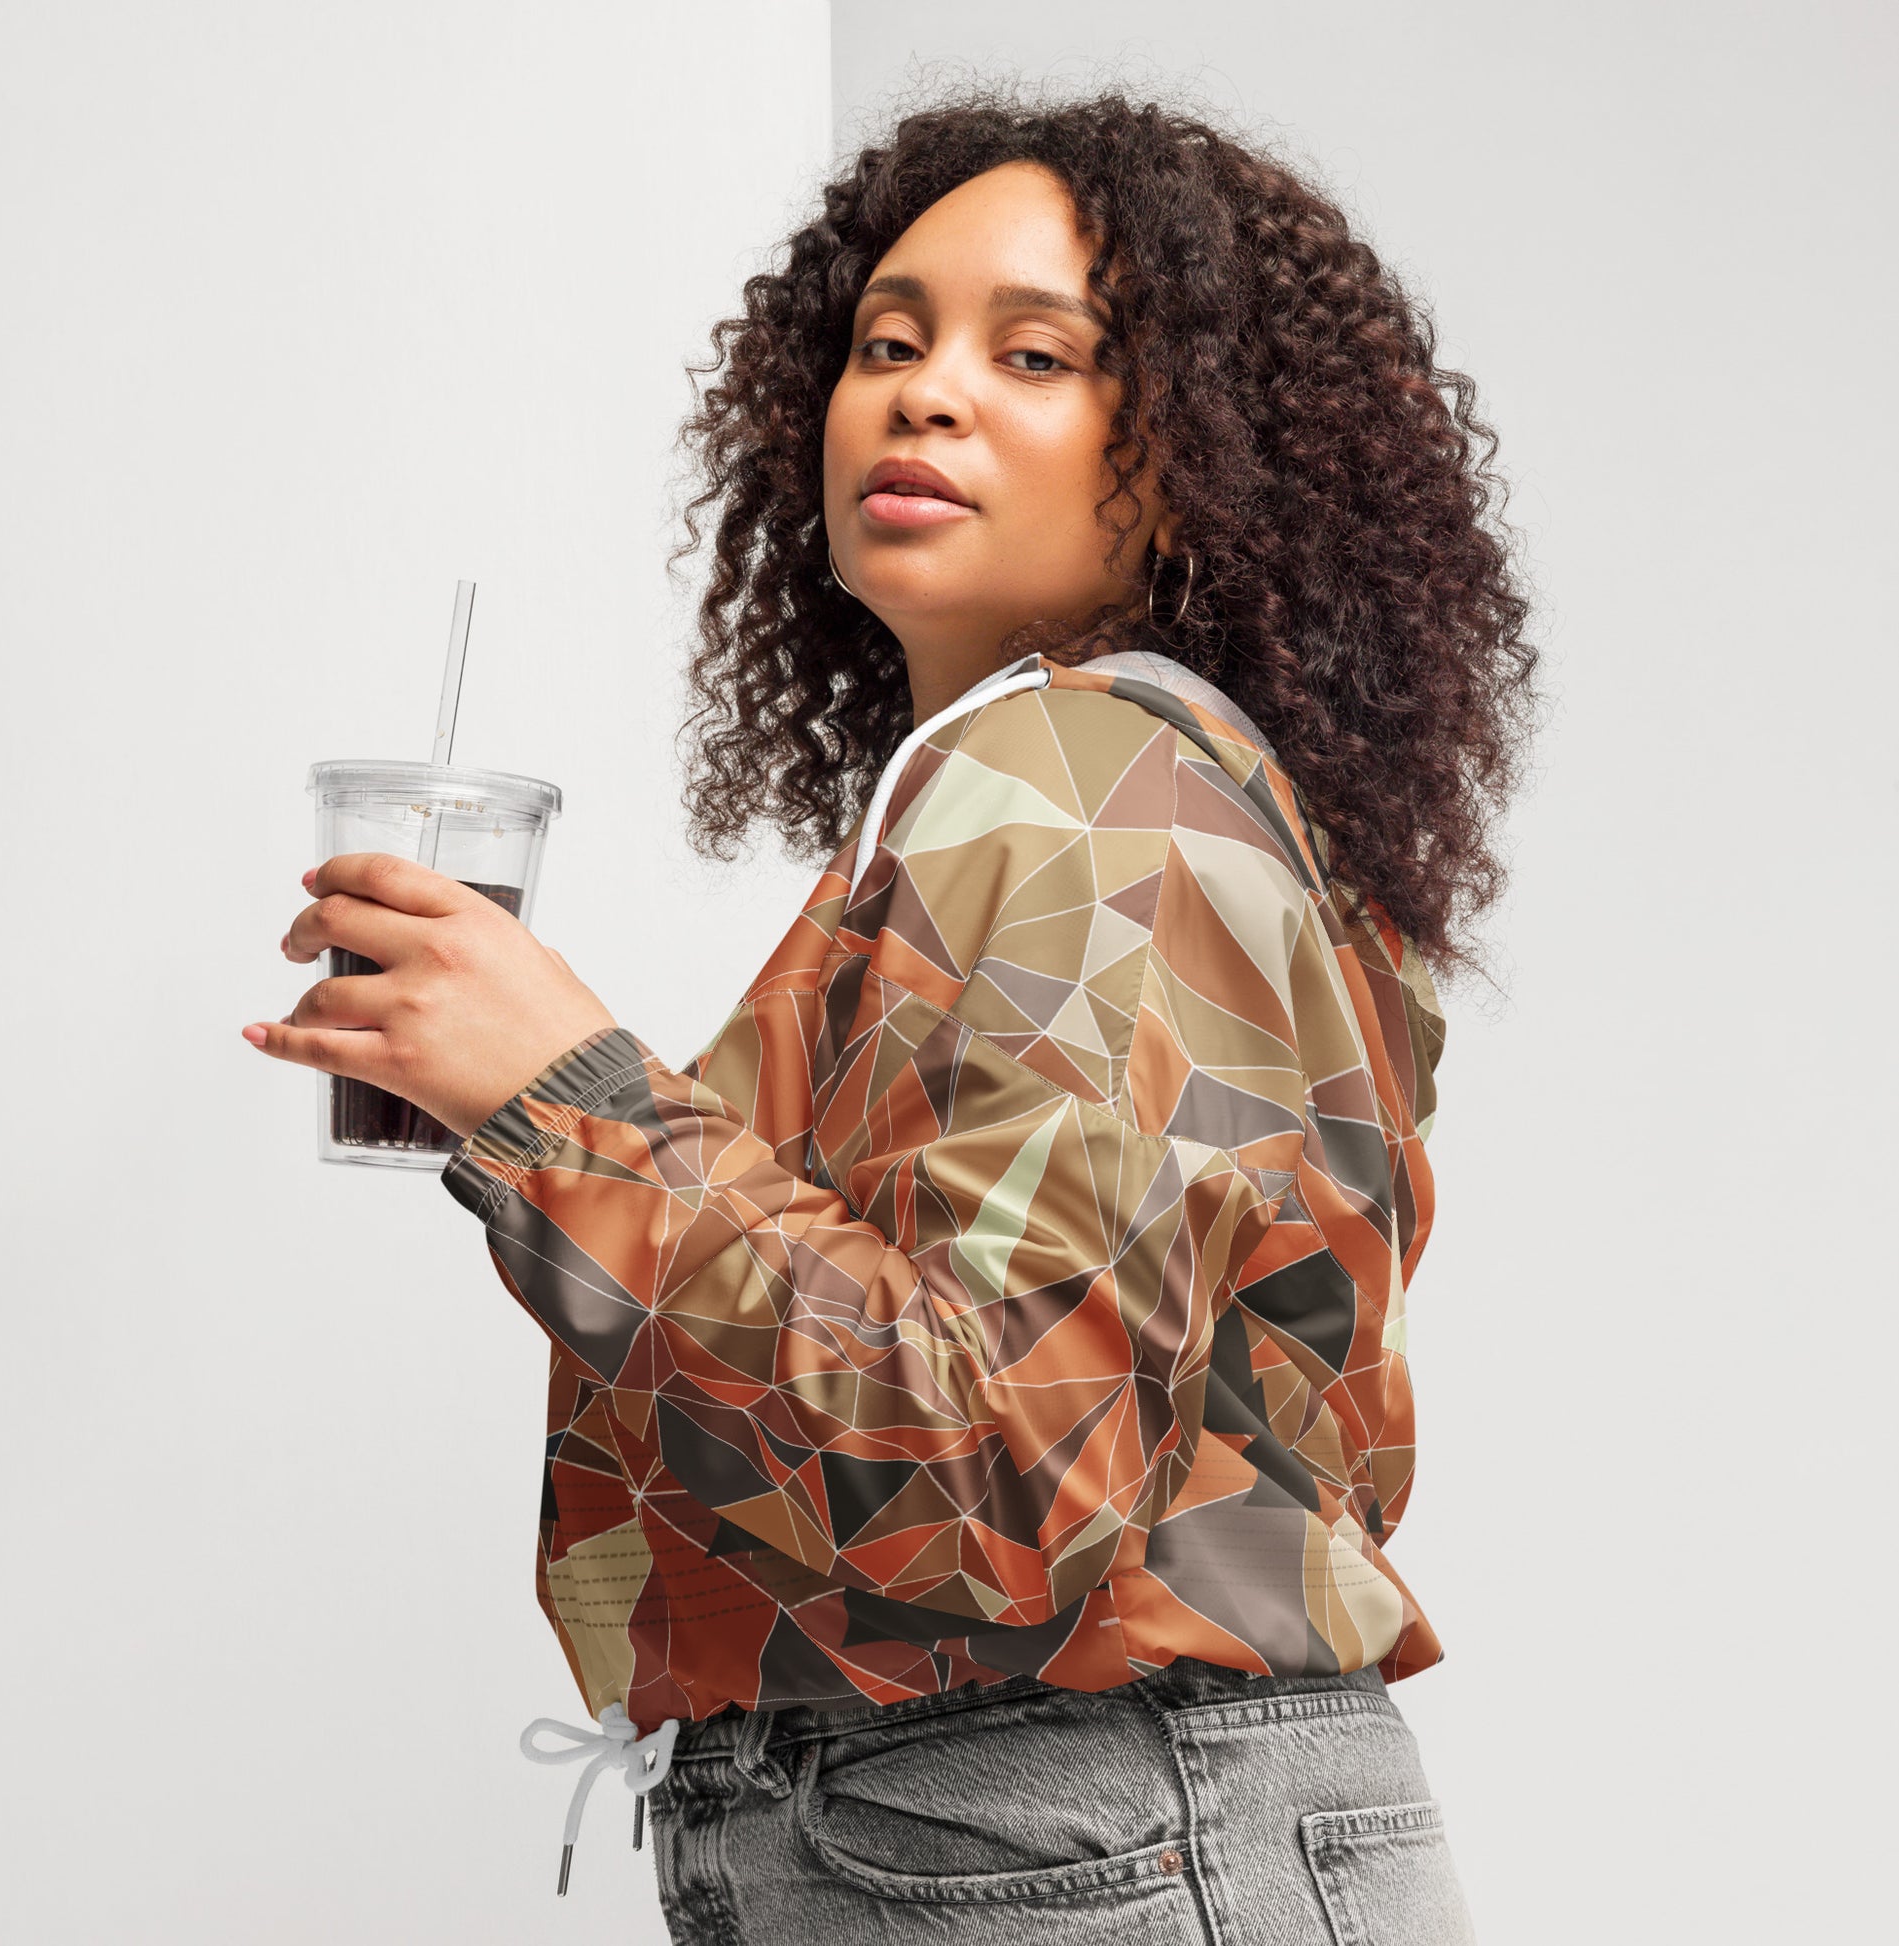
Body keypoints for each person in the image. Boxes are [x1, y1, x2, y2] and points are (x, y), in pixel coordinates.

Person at [249, 81, 1539, 1946]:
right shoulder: (1077, 796)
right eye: (885, 340)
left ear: (1197, 443)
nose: (924, 392)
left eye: (1035, 354)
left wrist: (566, 1098)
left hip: (1066, 1829)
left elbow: (991, 1464)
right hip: (1052, 1824)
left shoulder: (1083, 782)